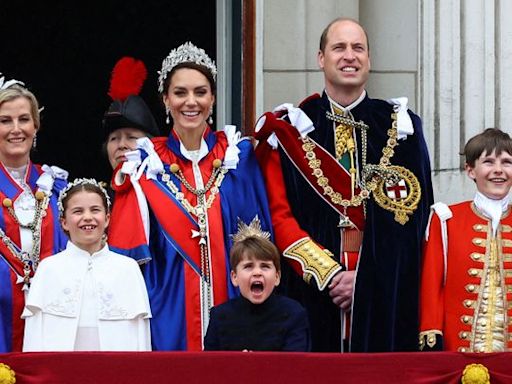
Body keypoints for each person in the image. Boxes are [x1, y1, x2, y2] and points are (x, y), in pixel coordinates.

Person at [254, 18, 434, 352]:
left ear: (369, 59)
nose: (349, 56)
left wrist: (366, 279)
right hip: (310, 294)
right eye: (339, 47)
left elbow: (415, 222)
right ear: (321, 57)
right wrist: (330, 276)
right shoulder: (291, 128)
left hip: (384, 297)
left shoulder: (402, 128)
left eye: (358, 48)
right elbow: (279, 218)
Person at [108, 42, 273, 351]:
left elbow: (260, 246)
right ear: (166, 100)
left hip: (236, 310)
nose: (191, 102)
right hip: (168, 316)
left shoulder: (239, 156)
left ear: (212, 98)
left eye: (200, 92)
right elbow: (125, 264)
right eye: (180, 93)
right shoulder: (145, 165)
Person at [22, 178, 151, 351]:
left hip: (116, 374)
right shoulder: (49, 269)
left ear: (107, 219)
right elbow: (34, 335)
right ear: (64, 222)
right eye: (78, 211)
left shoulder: (128, 268)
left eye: (95, 210)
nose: (87, 217)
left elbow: (141, 335)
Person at [419, 128, 512, 352]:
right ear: (470, 170)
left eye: (507, 162)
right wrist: (431, 333)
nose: (498, 170)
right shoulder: (445, 219)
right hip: (458, 352)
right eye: (488, 162)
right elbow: (432, 285)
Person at [0, 75, 68, 352]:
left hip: (52, 313)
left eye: (24, 119)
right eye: (5, 121)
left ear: (36, 126)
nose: (16, 129)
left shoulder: (57, 185)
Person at [204, 217, 310, 351]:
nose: (257, 272)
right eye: (248, 266)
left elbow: (297, 366)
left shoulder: (294, 314)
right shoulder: (219, 316)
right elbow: (209, 366)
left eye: (265, 266)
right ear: (234, 277)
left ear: (277, 277)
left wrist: (255, 364)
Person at [103, 56, 159, 171]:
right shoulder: (94, 189)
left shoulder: (171, 188)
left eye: (132, 137)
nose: (121, 145)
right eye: (113, 139)